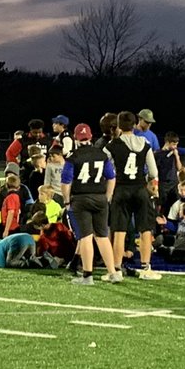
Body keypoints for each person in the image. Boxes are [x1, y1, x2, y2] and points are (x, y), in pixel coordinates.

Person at [104, 111, 162, 280]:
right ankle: (146, 268)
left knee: (119, 230)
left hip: (121, 190)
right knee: (145, 230)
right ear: (135, 124)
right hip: (140, 189)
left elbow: (106, 170)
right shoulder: (145, 143)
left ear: (119, 126)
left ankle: (116, 270)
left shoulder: (111, 146)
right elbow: (153, 172)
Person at [62, 122, 120, 285]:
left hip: (81, 198)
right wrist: (107, 197)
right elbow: (111, 178)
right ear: (90, 137)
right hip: (100, 197)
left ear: (76, 138)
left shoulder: (73, 157)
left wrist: (66, 201)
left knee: (86, 237)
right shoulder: (101, 154)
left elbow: (66, 182)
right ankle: (113, 273)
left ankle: (87, 275)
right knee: (102, 236)